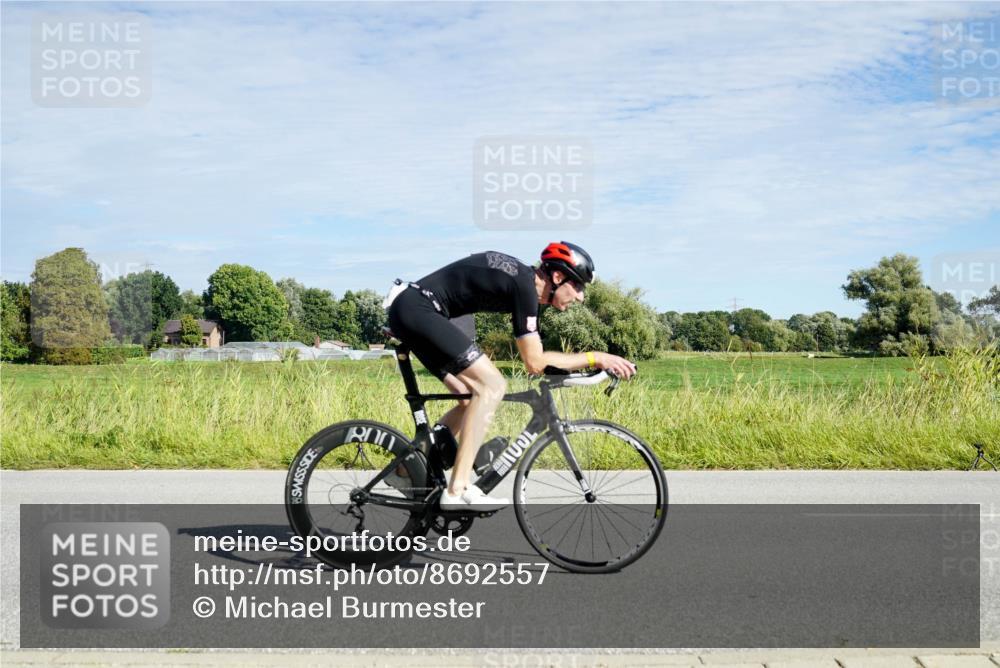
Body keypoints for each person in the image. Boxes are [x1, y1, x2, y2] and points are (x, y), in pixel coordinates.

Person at [384, 242, 636, 510]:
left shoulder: (525, 287)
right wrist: (595, 357)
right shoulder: (524, 287)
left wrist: (584, 366)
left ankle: (404, 471)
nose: (581, 296)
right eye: (578, 286)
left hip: (421, 310)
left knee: (470, 399)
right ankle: (458, 490)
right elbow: (535, 362)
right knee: (492, 385)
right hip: (418, 308)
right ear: (558, 277)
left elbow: (537, 359)